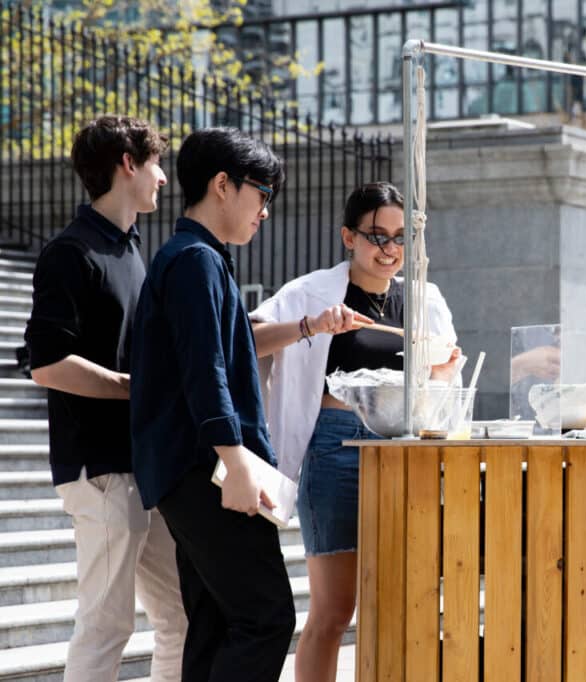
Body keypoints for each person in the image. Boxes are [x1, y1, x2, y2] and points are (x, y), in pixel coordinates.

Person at [250, 181, 459, 681]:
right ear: (348, 237)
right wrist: (314, 326)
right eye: (376, 237)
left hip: (403, 451)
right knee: (334, 609)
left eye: (400, 238)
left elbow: (445, 368)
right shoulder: (313, 293)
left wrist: (443, 371)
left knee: (399, 601)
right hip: (335, 446)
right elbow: (247, 338)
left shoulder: (423, 298)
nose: (390, 250)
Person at [24, 116, 186, 682]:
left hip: (143, 464)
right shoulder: (71, 252)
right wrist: (132, 388)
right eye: (155, 163)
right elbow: (45, 363)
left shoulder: (131, 250)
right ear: (127, 163)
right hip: (101, 469)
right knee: (106, 624)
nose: (162, 177)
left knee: (181, 618)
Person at [130, 127, 295, 681]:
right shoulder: (194, 260)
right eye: (262, 193)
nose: (265, 210)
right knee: (267, 617)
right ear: (223, 185)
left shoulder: (199, 259)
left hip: (196, 469)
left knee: (217, 621)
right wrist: (238, 459)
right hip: (208, 470)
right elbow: (205, 371)